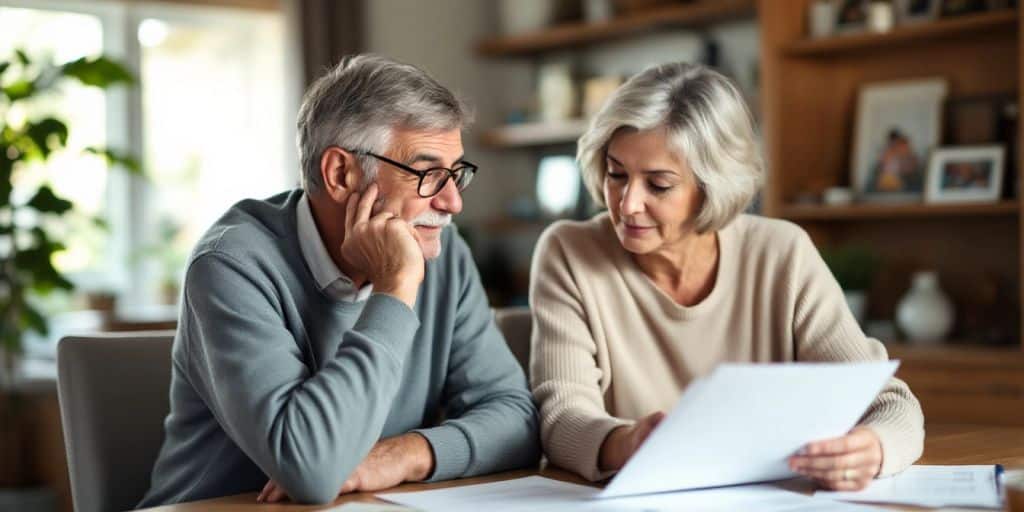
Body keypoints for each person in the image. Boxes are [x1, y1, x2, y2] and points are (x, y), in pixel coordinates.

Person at [138, 54, 540, 507]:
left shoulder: (446, 256)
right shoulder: (230, 265)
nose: (452, 203)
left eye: (457, 175)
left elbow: (518, 419)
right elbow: (312, 470)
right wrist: (396, 289)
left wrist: (403, 456)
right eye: (429, 174)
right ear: (340, 174)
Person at [529, 62, 924, 491]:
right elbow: (562, 416)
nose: (626, 205)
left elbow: (890, 403)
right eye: (616, 174)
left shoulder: (782, 253)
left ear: (713, 185)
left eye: (658, 185)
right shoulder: (569, 252)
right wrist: (626, 442)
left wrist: (871, 446)